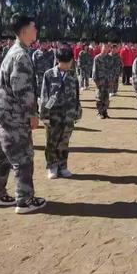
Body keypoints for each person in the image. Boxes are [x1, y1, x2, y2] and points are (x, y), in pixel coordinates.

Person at [0, 14, 46, 214]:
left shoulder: (15, 51)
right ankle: (24, 201)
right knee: (23, 157)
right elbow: (22, 90)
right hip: (14, 116)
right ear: (24, 31)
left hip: (3, 114)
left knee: (1, 156)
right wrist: (32, 114)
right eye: (34, 27)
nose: (36, 30)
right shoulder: (21, 56)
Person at [40, 47, 82, 179]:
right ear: (58, 61)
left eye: (69, 62)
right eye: (64, 62)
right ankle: (52, 166)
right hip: (54, 116)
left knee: (64, 141)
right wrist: (44, 115)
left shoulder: (73, 75)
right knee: (52, 141)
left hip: (68, 114)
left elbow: (76, 94)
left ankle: (63, 166)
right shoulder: (49, 74)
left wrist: (77, 111)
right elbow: (44, 95)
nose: (67, 65)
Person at [92, 43, 112, 119]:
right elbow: (94, 70)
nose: (106, 48)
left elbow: (112, 70)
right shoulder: (97, 58)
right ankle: (99, 113)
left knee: (106, 98)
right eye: (105, 46)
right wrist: (96, 81)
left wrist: (111, 79)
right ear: (101, 47)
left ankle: (105, 112)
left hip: (107, 81)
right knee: (99, 97)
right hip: (100, 81)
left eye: (107, 47)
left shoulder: (110, 58)